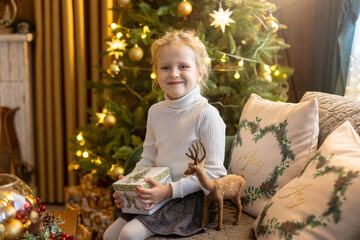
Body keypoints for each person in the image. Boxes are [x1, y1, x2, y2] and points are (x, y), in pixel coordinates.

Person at [103, 29, 227, 240]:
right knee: (109, 235)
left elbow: (214, 173)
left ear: (199, 72)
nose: (174, 74)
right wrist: (131, 184)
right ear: (156, 73)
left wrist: (169, 191)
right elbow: (148, 157)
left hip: (189, 198)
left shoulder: (207, 115)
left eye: (183, 66)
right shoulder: (156, 111)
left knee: (129, 235)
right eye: (165, 67)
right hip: (156, 190)